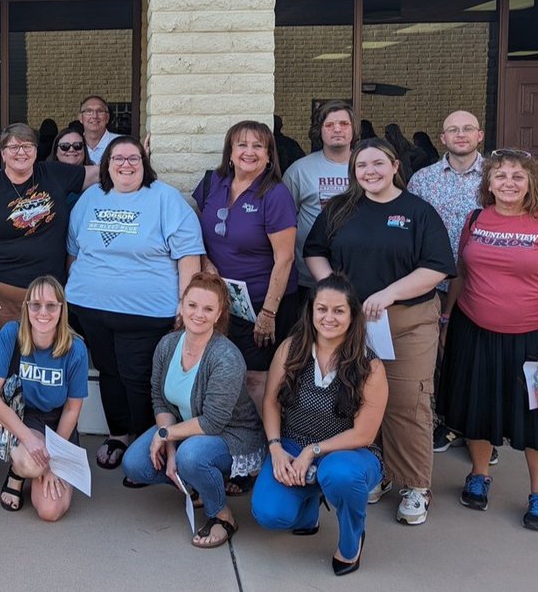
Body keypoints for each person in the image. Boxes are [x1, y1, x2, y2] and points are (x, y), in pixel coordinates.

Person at [304, 138, 455, 526]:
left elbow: (437, 267)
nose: (369, 172)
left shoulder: (418, 212)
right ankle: (378, 472)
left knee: (407, 400)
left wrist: (388, 294)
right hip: (352, 323)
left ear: (393, 166)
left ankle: (415, 485)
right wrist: (334, 291)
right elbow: (314, 251)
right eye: (360, 166)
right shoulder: (341, 209)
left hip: (407, 321)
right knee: (359, 399)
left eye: (377, 164)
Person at [439, 149, 538, 531]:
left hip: (533, 340)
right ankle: (479, 475)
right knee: (477, 408)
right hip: (474, 331)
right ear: (489, 183)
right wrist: (448, 318)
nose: (508, 183)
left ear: (531, 182)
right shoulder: (476, 219)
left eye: (517, 176)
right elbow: (462, 275)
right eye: (500, 176)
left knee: (536, 420)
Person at [67, 136, 203, 470]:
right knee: (109, 374)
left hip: (145, 314)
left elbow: (189, 256)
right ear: (106, 165)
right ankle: (119, 435)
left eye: (134, 159)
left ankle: (145, 449)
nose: (126, 165)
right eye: (118, 159)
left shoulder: (165, 199)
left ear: (145, 164)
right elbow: (74, 250)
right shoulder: (90, 199)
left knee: (138, 378)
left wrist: (185, 306)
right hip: (90, 310)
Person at [251, 274, 388, 577]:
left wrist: (312, 451)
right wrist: (275, 448)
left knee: (339, 474)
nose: (329, 317)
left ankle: (352, 541)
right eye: (322, 309)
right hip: (292, 443)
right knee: (269, 514)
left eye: (339, 310)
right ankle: (308, 511)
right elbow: (271, 402)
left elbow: (364, 434)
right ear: (311, 311)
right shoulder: (291, 348)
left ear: (353, 315)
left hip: (350, 452)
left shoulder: (370, 366)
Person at [120, 272, 265, 548]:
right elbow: (160, 399)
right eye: (192, 305)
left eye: (208, 308)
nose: (198, 314)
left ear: (219, 313)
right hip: (187, 430)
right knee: (135, 463)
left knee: (192, 455)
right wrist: (170, 445)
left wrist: (167, 436)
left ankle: (222, 515)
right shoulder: (168, 344)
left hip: (233, 435)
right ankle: (198, 481)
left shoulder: (226, 357)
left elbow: (212, 422)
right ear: (182, 305)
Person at [0, 123, 98, 349]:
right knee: (8, 357)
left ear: (36, 150)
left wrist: (131, 160)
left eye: (27, 146)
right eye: (13, 147)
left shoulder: (54, 173)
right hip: (1, 294)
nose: (21, 152)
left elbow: (96, 174)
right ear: (3, 153)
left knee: (47, 356)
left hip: (49, 293)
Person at [193, 122, 298, 413]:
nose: (248, 152)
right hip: (224, 301)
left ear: (268, 156)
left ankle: (265, 445)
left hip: (264, 303)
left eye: (257, 146)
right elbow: (198, 229)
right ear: (230, 151)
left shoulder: (275, 195)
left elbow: (285, 258)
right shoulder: (214, 182)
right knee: (223, 372)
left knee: (255, 378)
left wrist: (268, 314)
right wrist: (205, 262)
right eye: (242, 144)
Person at [407, 110, 485, 453]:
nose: (461, 134)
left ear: (479, 135)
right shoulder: (422, 180)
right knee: (436, 356)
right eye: (453, 130)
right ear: (443, 139)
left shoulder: (496, 177)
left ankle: (478, 429)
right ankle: (443, 423)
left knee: (474, 356)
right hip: (432, 283)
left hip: (483, 284)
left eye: (467, 129)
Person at [0, 276, 88, 521]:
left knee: (50, 511)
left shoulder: (76, 348)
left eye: (51, 305)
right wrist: (29, 439)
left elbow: (72, 409)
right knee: (31, 463)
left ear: (62, 309)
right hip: (24, 418)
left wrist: (56, 461)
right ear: (26, 307)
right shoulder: (12, 334)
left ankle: (38, 465)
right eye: (36, 305)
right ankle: (17, 472)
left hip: (58, 422)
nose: (43, 312)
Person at [283, 100, 354, 304]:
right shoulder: (299, 170)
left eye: (344, 124)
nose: (337, 129)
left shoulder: (368, 167)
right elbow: (286, 220)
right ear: (319, 131)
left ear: (353, 129)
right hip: (307, 279)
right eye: (329, 125)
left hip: (357, 275)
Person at [78, 95, 120, 165]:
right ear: (80, 117)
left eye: (100, 111)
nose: (94, 116)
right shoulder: (73, 146)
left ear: (107, 118)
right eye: (89, 111)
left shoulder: (121, 143)